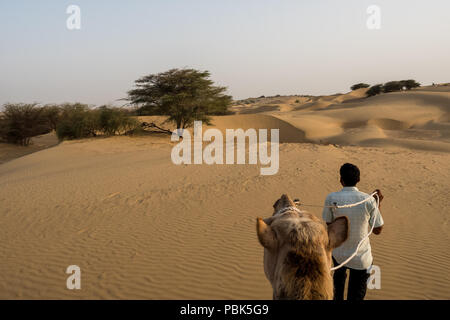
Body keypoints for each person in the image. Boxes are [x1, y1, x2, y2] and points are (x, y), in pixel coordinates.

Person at [322, 163, 384, 300]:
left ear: (341, 180)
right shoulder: (368, 200)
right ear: (359, 180)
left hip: (338, 255)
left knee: (336, 294)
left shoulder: (331, 198)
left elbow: (329, 224)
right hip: (361, 258)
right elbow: (378, 230)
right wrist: (377, 204)